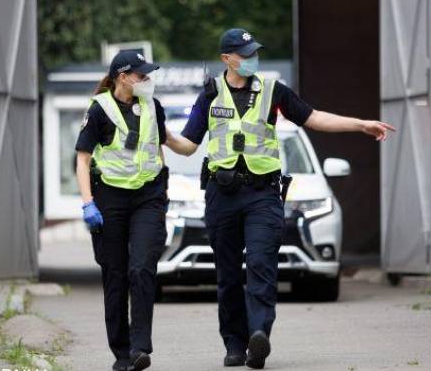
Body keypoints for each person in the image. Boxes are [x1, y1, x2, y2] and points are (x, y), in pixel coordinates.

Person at [165, 28, 396, 369]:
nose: (251, 59)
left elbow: (313, 118)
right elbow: (188, 144)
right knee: (228, 274)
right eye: (244, 54)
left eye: (253, 53)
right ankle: (233, 343)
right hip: (221, 195)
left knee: (261, 264)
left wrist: (359, 124)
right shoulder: (210, 95)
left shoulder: (273, 91)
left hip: (262, 194)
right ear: (226, 59)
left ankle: (259, 334)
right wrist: (164, 136)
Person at [75, 50, 169, 371]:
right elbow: (83, 159)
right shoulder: (99, 110)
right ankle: (122, 354)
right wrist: (88, 202)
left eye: (147, 75)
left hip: (147, 197)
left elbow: (159, 147)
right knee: (115, 277)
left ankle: (140, 348)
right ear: (122, 77)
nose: (147, 80)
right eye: (141, 75)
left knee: (141, 268)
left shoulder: (153, 107)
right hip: (110, 200)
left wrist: (163, 188)